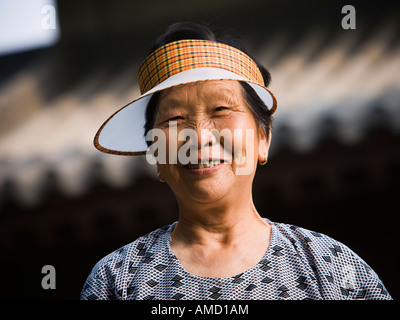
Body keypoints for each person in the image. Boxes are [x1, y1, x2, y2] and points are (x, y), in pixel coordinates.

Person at [80, 22, 392, 300]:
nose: (199, 138)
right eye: (174, 119)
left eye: (220, 110)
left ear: (263, 138)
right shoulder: (117, 281)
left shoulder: (333, 268)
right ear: (156, 156)